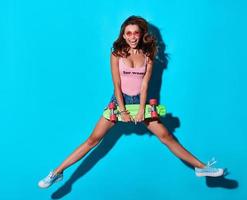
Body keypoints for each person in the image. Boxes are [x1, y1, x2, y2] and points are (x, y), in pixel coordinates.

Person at [38, 16, 224, 189]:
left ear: (142, 33)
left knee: (167, 136)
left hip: (140, 102)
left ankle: (201, 168)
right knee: (93, 140)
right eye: (128, 33)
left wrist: (142, 109)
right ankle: (57, 172)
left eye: (136, 33)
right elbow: (117, 84)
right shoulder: (116, 53)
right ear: (123, 34)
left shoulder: (148, 55)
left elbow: (145, 86)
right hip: (119, 101)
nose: (132, 37)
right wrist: (123, 110)